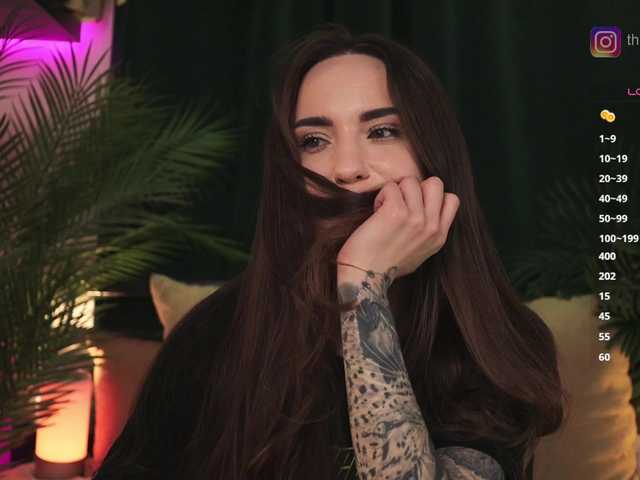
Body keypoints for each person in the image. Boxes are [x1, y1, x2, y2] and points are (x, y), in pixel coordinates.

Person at [92, 23, 567, 480]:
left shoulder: (494, 344)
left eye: (382, 131)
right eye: (314, 141)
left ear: (432, 155)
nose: (346, 168)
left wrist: (362, 281)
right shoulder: (213, 333)